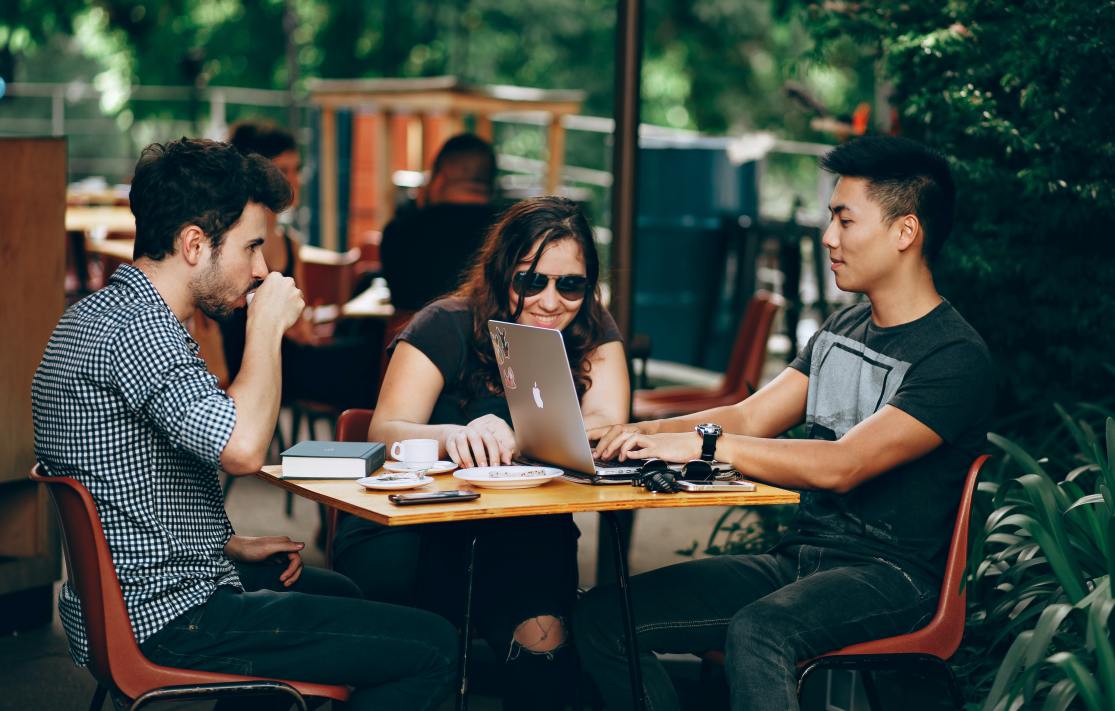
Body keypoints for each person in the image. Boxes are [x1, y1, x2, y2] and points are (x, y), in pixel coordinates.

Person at [31, 137, 457, 710]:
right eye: (252, 247)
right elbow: (243, 450)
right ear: (193, 244)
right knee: (433, 645)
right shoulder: (141, 334)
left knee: (341, 590)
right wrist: (265, 328)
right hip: (171, 616)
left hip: (133, 601)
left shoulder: (98, 316)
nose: (262, 269)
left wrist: (225, 544)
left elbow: (128, 481)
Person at [577, 135, 994, 711]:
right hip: (799, 560)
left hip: (893, 578)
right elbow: (751, 414)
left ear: (905, 232)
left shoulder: (953, 356)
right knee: (603, 617)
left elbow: (844, 465)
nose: (829, 238)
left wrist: (703, 447)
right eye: (831, 219)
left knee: (759, 632)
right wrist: (642, 436)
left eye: (846, 221)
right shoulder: (843, 328)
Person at [332, 196, 630, 710]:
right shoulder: (444, 323)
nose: (551, 300)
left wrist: (533, 433)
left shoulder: (591, 329)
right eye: (531, 281)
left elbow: (606, 424)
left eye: (571, 284)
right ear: (500, 275)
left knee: (550, 660)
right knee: (431, 648)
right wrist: (452, 435)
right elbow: (380, 432)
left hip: (523, 531)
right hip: (419, 527)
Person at [380, 132, 501, 311]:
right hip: (487, 337)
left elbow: (399, 300)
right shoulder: (509, 231)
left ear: (439, 178)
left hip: (413, 336)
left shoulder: (399, 231)